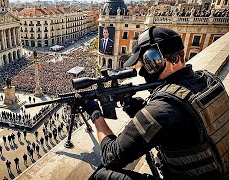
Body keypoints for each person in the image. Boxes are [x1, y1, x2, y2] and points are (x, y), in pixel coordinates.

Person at [79, 26, 229, 179]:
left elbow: (110, 156)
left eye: (148, 63)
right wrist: (142, 112)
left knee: (101, 175)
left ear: (175, 60)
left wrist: (96, 114)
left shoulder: (162, 109)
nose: (143, 71)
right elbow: (182, 126)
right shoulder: (209, 80)